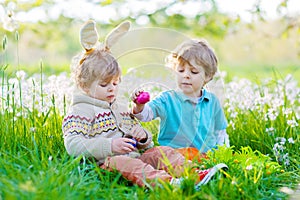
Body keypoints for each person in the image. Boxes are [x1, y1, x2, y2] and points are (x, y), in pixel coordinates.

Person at [62, 20, 228, 188]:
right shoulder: (81, 110)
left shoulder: (118, 108)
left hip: (135, 157)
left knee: (161, 152)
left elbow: (146, 145)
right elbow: (73, 144)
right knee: (127, 163)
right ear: (84, 84)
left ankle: (195, 175)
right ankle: (169, 183)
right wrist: (110, 145)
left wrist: (143, 137)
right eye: (104, 85)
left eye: (115, 83)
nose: (111, 89)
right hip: (106, 163)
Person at [131, 39, 230, 160]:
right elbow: (146, 115)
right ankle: (187, 174)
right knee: (156, 154)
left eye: (193, 72)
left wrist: (224, 155)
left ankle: (201, 172)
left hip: (204, 157)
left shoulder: (212, 102)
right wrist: (140, 106)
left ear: (207, 76)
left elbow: (220, 133)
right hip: (174, 156)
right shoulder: (167, 99)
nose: (186, 75)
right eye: (181, 70)